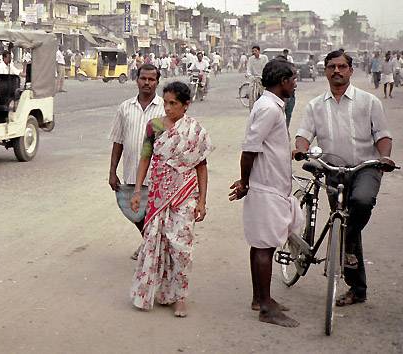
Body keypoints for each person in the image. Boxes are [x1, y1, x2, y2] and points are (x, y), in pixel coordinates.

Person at [294, 50, 395, 307]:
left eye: (342, 66)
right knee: (343, 218)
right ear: (325, 70)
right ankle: (357, 289)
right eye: (331, 67)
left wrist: (384, 158)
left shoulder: (369, 102)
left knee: (360, 204)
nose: (336, 71)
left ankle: (347, 247)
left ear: (351, 70)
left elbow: (383, 135)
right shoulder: (316, 105)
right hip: (332, 170)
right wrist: (299, 147)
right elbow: (304, 134)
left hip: (365, 168)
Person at [130, 81, 213, 316]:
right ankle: (148, 293)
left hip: (185, 196)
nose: (167, 108)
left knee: (181, 248)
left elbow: (201, 167)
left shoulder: (195, 131)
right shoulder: (154, 127)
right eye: (165, 103)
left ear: (186, 105)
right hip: (158, 195)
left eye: (173, 103)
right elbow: (145, 159)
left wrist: (202, 201)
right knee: (154, 242)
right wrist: (138, 191)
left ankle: (180, 297)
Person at [229, 59, 301, 328]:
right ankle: (267, 307)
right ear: (282, 81)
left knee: (262, 244)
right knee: (264, 246)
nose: (295, 83)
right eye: (293, 79)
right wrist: (245, 182)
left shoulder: (270, 106)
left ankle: (260, 299)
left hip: (270, 185)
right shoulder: (269, 108)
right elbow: (249, 149)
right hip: (265, 187)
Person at [109, 64, 165, 260]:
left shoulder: (164, 108)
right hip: (132, 171)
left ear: (157, 82)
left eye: (151, 79)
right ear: (136, 80)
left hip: (157, 175)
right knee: (134, 212)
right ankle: (149, 244)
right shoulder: (125, 107)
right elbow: (118, 140)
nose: (147, 83)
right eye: (143, 78)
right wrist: (112, 171)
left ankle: (150, 248)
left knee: (154, 215)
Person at [247, 45, 269, 110]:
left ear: (259, 51)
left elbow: (266, 67)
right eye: (253, 51)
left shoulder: (264, 58)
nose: (254, 52)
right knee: (251, 93)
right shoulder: (251, 59)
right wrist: (249, 75)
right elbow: (248, 68)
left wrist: (264, 76)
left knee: (264, 93)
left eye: (255, 51)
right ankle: (252, 109)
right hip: (254, 78)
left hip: (262, 78)